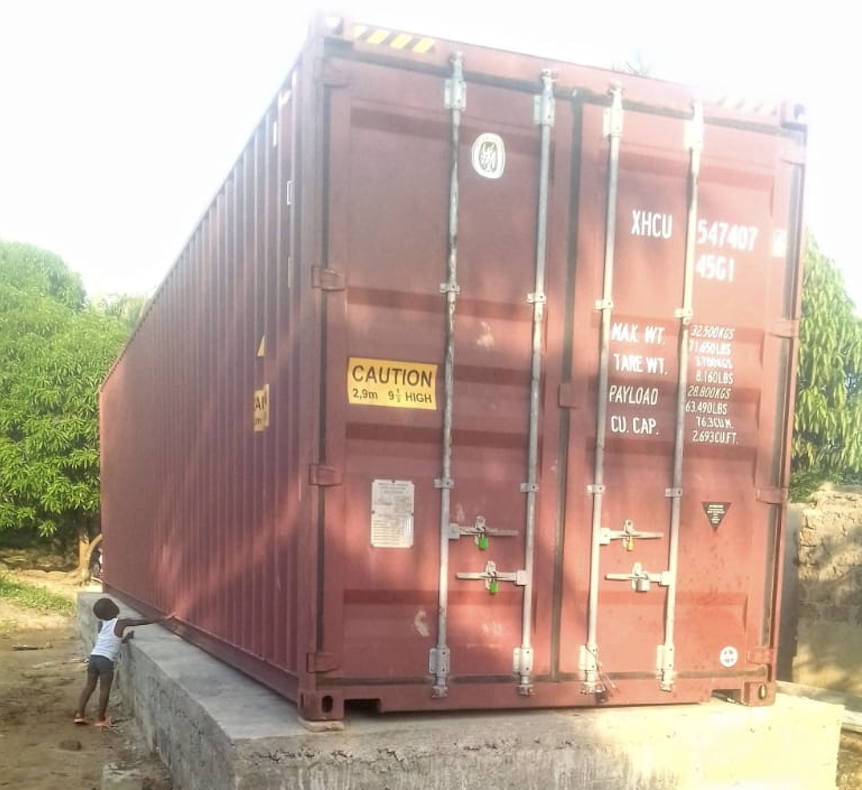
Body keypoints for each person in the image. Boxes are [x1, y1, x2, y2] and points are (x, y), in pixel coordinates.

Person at [73, 597, 173, 727]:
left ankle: (80, 714)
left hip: (94, 657)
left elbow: (110, 640)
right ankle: (100, 719)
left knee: (89, 686)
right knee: (104, 689)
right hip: (105, 661)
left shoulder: (101, 624)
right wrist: (163, 618)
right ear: (112, 609)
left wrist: (125, 639)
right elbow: (142, 621)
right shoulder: (121, 623)